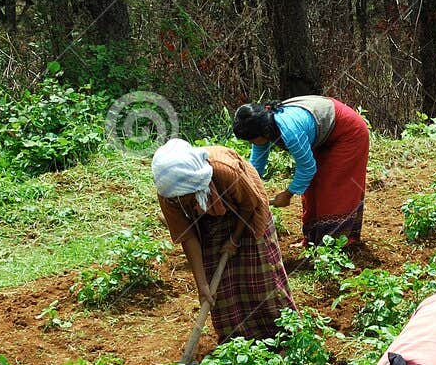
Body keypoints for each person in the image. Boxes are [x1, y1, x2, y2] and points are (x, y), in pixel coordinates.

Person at [152, 138, 295, 343]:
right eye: (177, 198)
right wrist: (202, 285)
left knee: (260, 274)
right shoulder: (169, 193)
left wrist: (234, 240)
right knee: (220, 287)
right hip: (206, 219)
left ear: (195, 184)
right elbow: (188, 237)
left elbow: (249, 206)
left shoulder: (225, 170)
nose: (180, 201)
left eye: (185, 196)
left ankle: (281, 335)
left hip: (246, 212)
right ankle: (236, 341)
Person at [233, 95, 371, 246]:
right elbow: (256, 165)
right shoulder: (264, 125)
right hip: (324, 133)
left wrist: (288, 194)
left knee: (332, 188)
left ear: (262, 131)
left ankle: (336, 244)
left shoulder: (290, 132)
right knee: (312, 188)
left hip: (348, 133)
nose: (251, 143)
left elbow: (307, 167)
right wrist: (247, 190)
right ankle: (313, 241)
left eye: (251, 140)